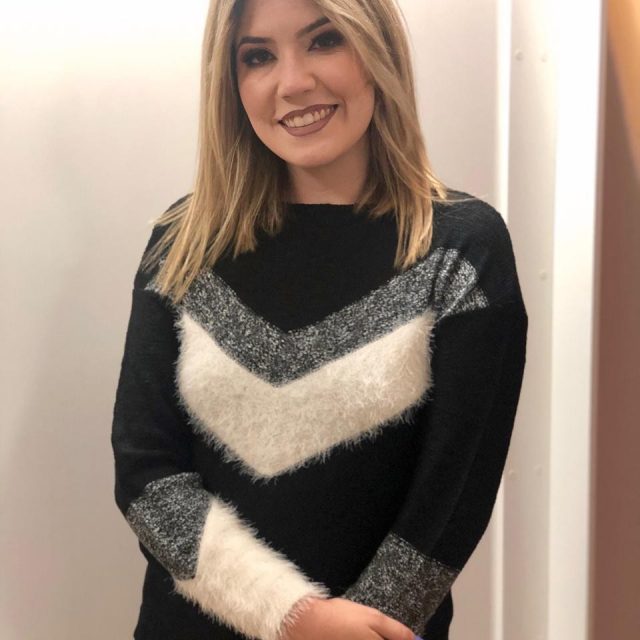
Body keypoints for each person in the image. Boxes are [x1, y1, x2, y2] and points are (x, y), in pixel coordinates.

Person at [110, 0, 528, 639]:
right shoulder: (183, 243)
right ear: (230, 81)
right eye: (257, 56)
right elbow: (145, 472)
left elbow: (454, 494)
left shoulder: (462, 248)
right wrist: (293, 616)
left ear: (378, 50)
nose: (293, 82)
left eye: (324, 41)